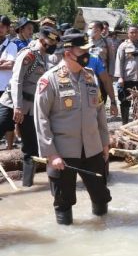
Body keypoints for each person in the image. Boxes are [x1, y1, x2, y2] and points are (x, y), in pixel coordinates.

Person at [34, 31, 112, 225]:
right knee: (63, 201)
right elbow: (41, 118)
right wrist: (51, 154)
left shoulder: (90, 77)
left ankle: (103, 235)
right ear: (68, 53)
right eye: (82, 50)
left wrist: (105, 143)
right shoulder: (49, 80)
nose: (87, 54)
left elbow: (100, 112)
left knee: (101, 196)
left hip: (93, 148)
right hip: (63, 152)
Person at [0, 26, 58, 186]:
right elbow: (17, 80)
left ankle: (27, 185)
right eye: (50, 41)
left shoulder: (45, 57)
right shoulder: (28, 54)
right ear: (41, 40)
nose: (52, 44)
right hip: (11, 104)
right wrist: (17, 107)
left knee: (30, 149)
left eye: (54, 41)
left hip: (30, 108)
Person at [0, 16, 17, 149]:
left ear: (7, 28)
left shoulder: (12, 46)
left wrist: (5, 63)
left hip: (5, 88)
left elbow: (10, 64)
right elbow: (5, 63)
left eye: (2, 26)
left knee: (8, 120)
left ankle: (10, 147)